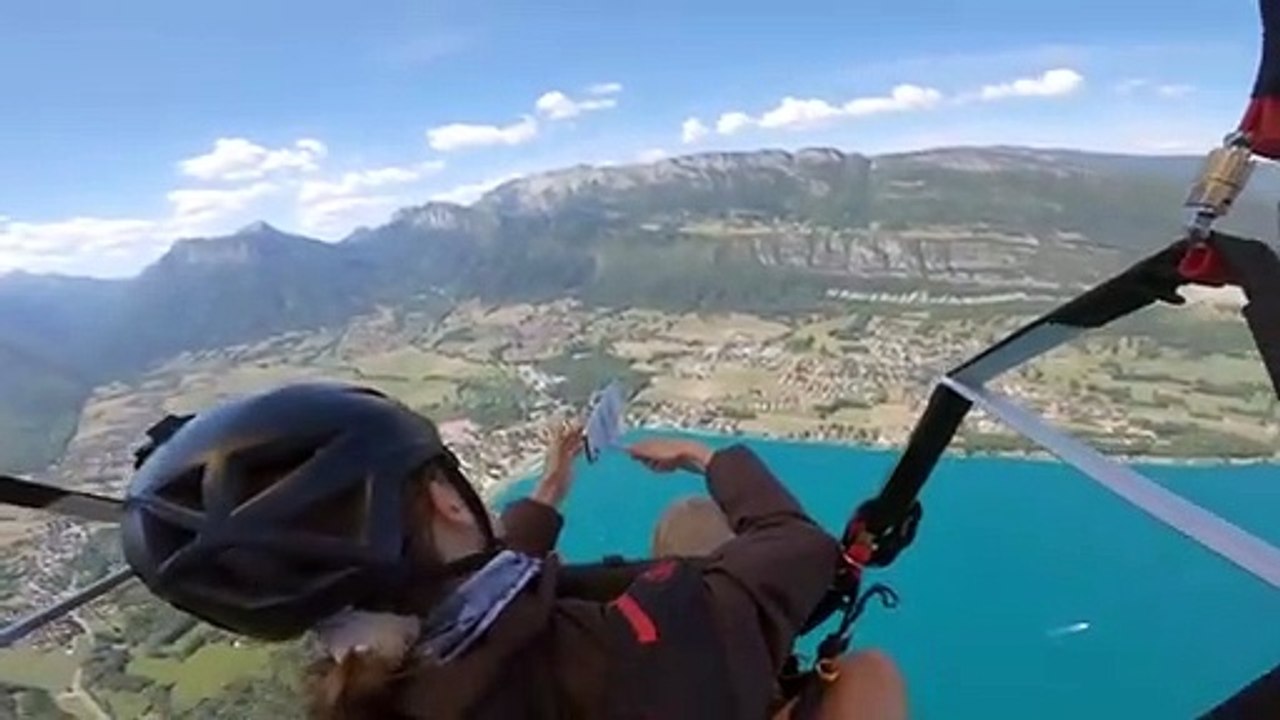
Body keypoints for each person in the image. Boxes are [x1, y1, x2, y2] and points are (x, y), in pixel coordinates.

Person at [121, 382, 906, 719]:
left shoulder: (370, 686)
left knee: (687, 529)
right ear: (443, 497)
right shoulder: (635, 645)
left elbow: (488, 594)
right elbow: (793, 547)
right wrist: (710, 457)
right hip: (677, 673)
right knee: (868, 676)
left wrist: (549, 492)